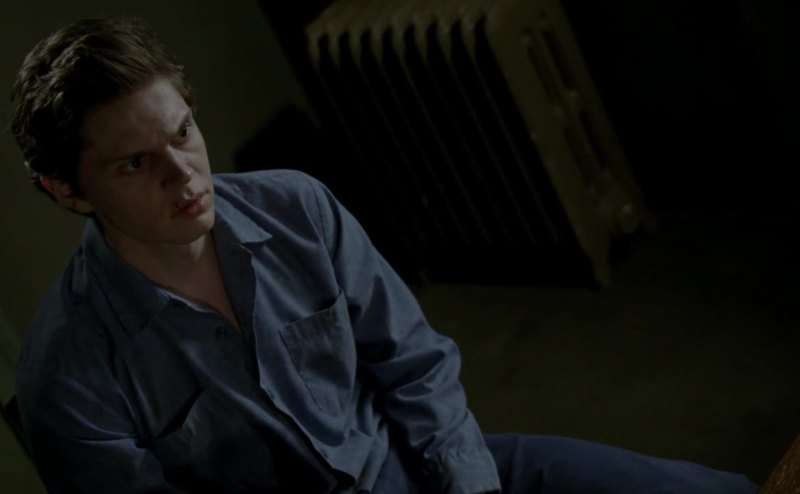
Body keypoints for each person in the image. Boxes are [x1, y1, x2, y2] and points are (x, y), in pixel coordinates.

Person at [10, 17, 759, 494]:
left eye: (181, 133)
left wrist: (468, 486)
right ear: (67, 190)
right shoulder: (67, 372)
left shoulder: (297, 206)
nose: (184, 176)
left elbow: (415, 365)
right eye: (134, 164)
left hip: (423, 467)